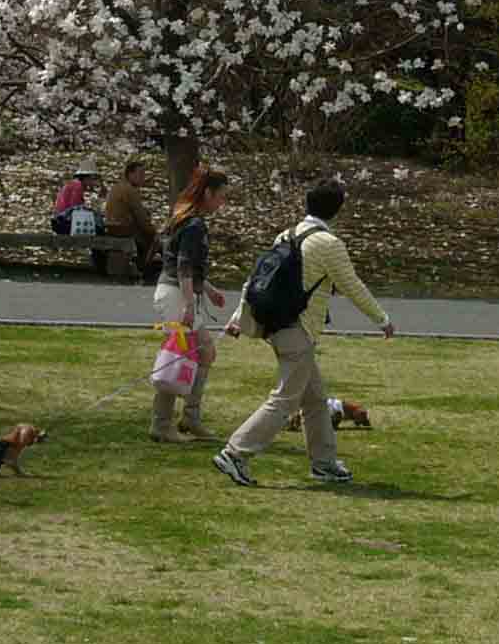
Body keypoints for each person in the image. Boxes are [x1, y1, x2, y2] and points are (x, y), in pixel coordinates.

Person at [214, 178, 392, 489]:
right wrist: (382, 319)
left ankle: (324, 463)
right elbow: (352, 286)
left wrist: (237, 318)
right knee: (284, 400)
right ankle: (235, 453)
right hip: (298, 330)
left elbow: (255, 279)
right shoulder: (329, 244)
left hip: (278, 326)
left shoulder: (287, 234)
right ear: (337, 210)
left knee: (315, 399)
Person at [151, 165, 232, 444]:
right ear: (207, 193)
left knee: (204, 353)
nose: (222, 203)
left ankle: (189, 417)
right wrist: (188, 304)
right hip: (177, 294)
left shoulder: (184, 218)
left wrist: (207, 290)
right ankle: (164, 424)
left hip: (175, 291)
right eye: (221, 196)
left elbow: (183, 264)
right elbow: (184, 268)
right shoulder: (194, 224)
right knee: (179, 356)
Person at [103, 157, 162, 279]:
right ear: (130, 174)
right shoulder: (130, 190)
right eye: (140, 174)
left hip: (110, 226)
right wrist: (153, 230)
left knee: (146, 235)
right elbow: (140, 216)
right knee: (154, 238)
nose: (142, 178)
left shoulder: (116, 187)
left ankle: (140, 263)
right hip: (122, 228)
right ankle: (144, 267)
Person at [50, 167, 99, 234]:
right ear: (86, 178)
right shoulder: (78, 186)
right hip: (64, 221)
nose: (94, 182)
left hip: (61, 218)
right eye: (93, 179)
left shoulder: (74, 184)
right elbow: (75, 208)